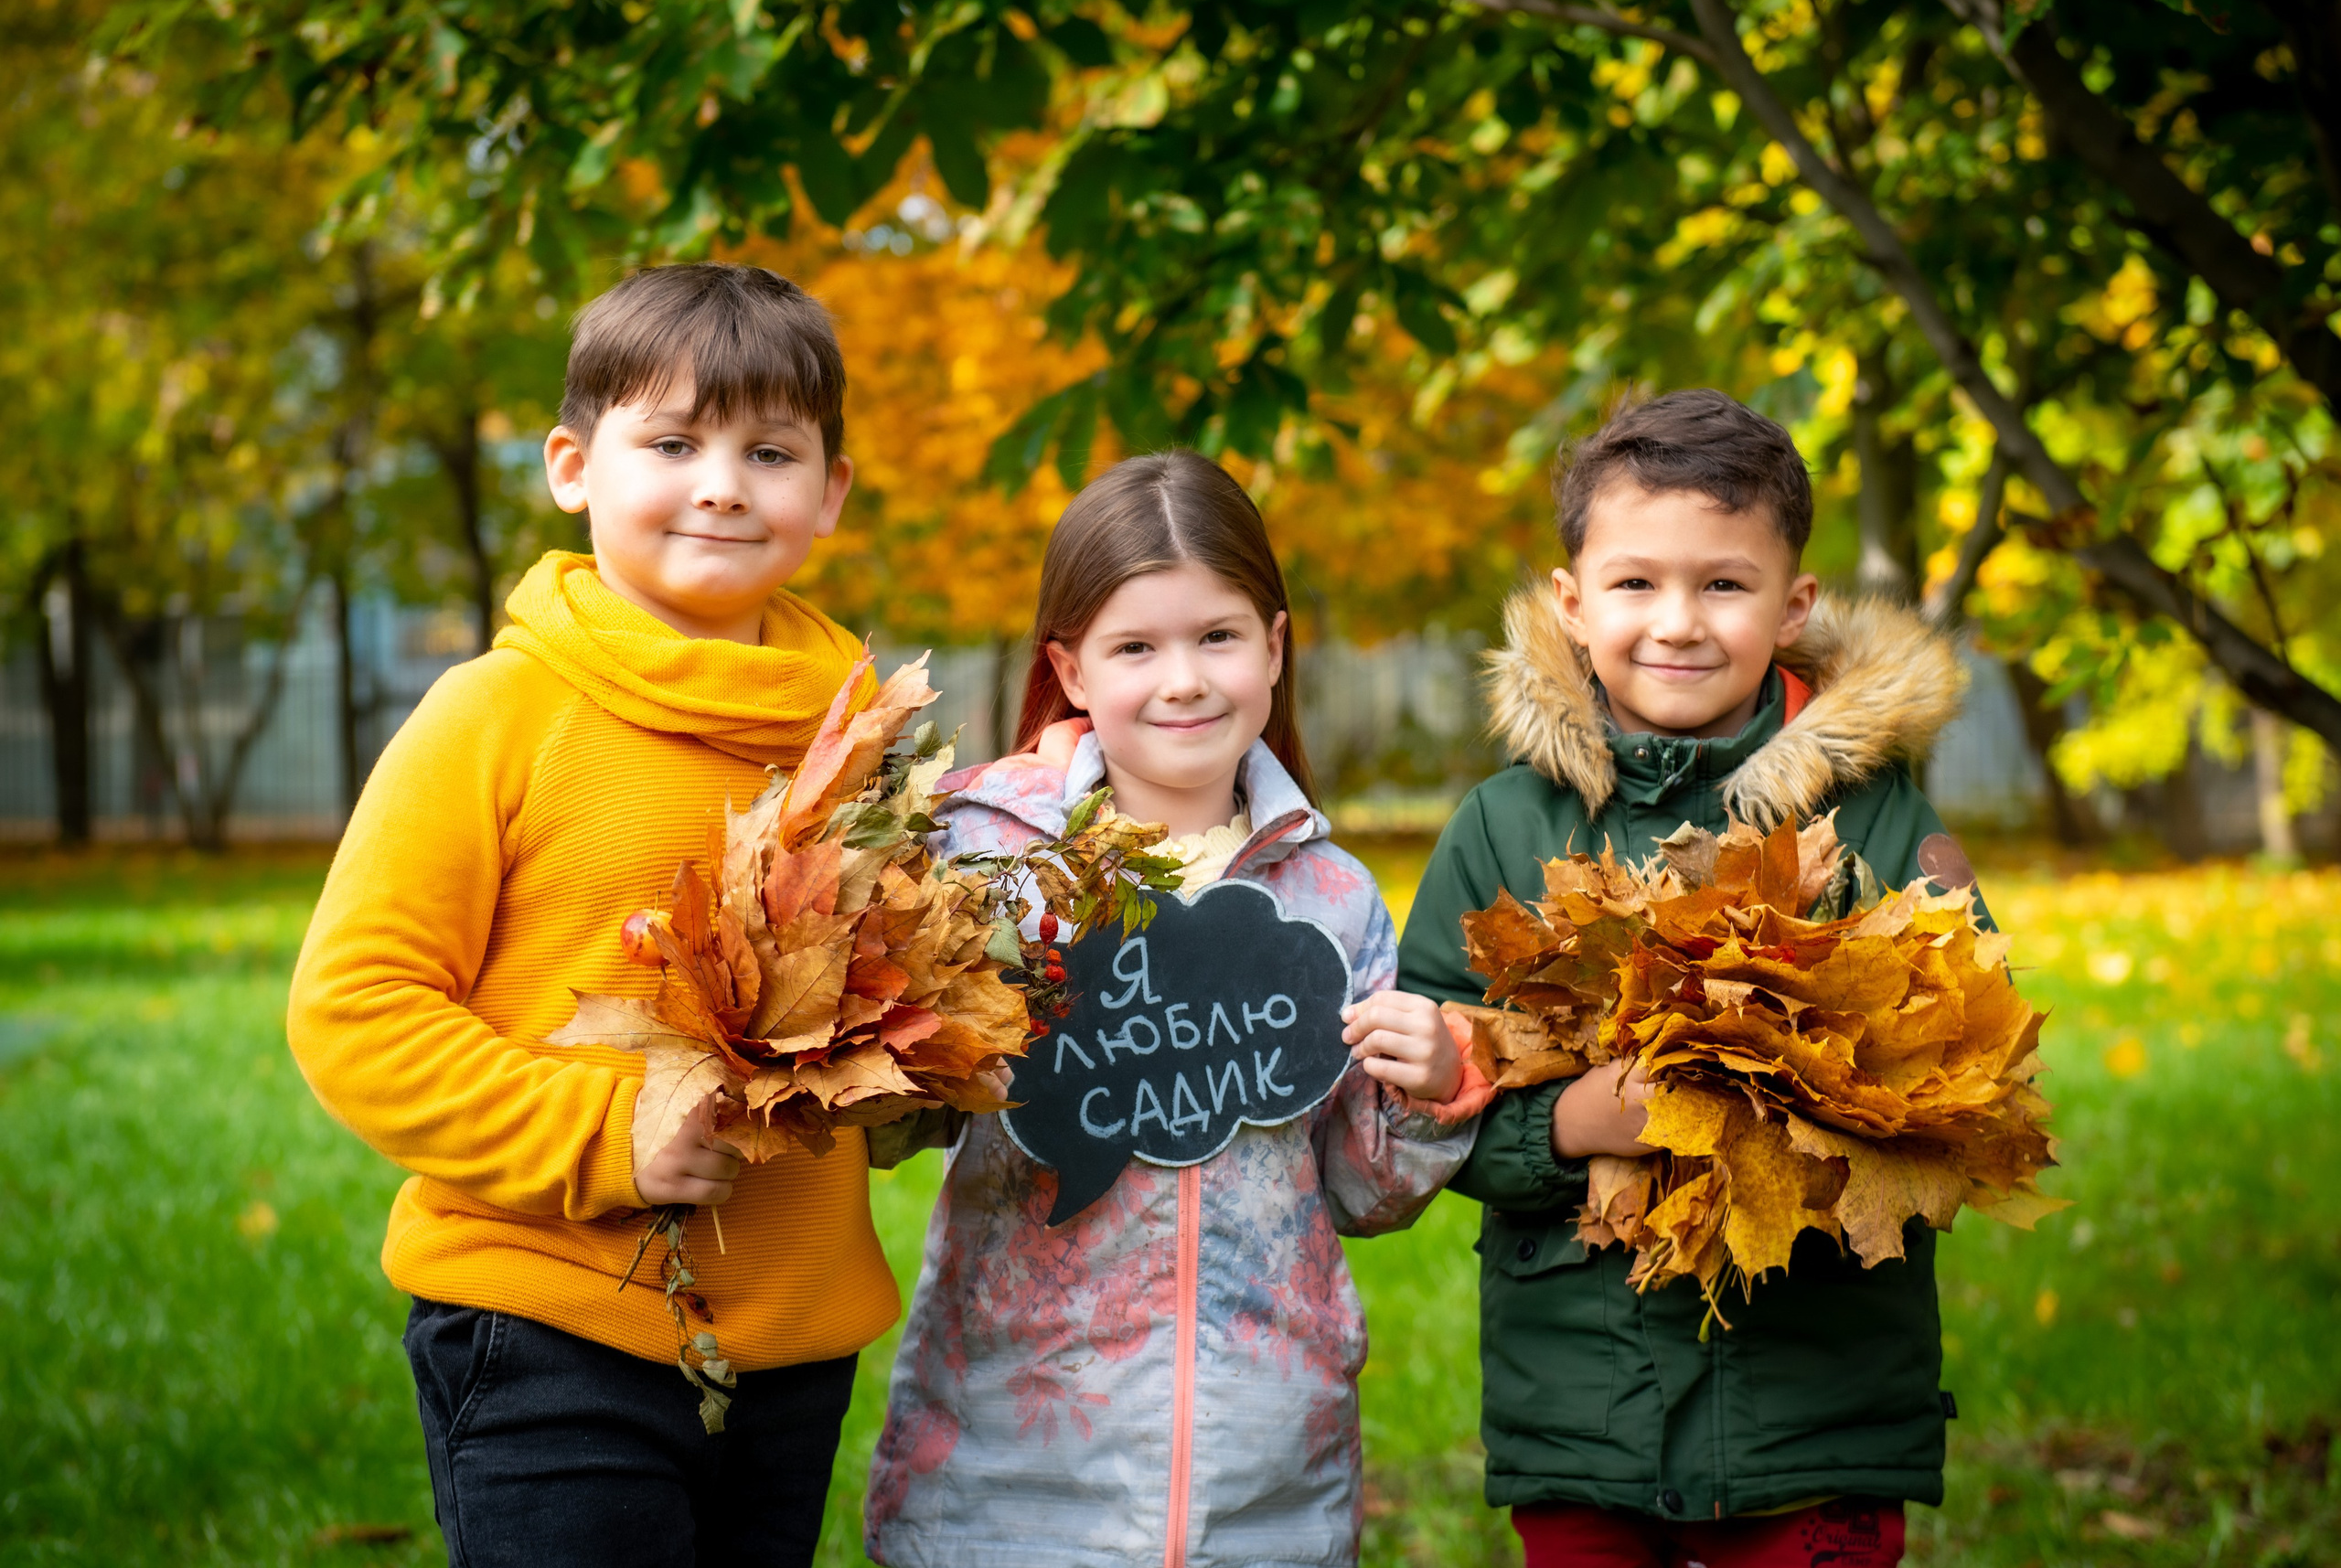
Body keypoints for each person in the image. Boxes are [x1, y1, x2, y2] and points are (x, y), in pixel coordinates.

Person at [287, 262, 891, 1568]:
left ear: (830, 490)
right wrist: (611, 1130)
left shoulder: (857, 745)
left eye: (771, 451)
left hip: (789, 1340)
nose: (723, 483)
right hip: (550, 1324)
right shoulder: (496, 716)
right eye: (672, 443)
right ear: (573, 464)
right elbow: (355, 1012)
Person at [861, 450, 1491, 1568]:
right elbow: (894, 1121)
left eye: (1218, 637)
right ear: (1069, 668)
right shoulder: (979, 858)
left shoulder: (1331, 896)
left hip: (1265, 1468)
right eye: (1135, 648)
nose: (1183, 681)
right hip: (1013, 1457)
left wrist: (1432, 1095)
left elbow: (1358, 1187)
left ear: (1275, 646)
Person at [1399, 389, 1975, 1568]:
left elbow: (1968, 1067)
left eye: (1723, 584)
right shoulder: (1502, 831)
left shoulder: (1874, 818)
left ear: (1792, 604)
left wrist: (1798, 1101)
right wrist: (1567, 1121)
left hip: (1819, 1403)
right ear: (1571, 602)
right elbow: (1427, 1103)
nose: (1677, 622)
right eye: (1633, 584)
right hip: (1583, 1402)